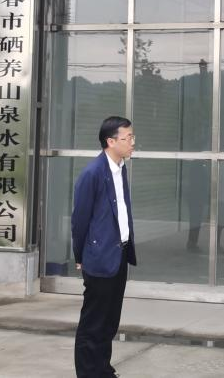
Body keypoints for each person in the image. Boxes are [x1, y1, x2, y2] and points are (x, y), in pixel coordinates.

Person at [72, 116, 137, 378]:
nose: (132, 142)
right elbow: (80, 220)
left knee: (110, 320)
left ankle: (102, 369)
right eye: (127, 138)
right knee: (93, 322)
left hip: (118, 254)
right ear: (111, 141)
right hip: (99, 257)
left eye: (132, 137)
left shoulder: (120, 169)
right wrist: (80, 255)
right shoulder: (92, 173)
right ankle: (88, 373)